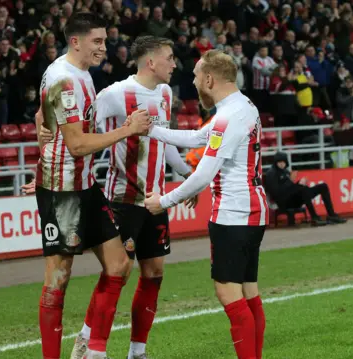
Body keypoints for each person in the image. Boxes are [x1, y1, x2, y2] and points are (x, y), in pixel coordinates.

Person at [31, 12, 151, 359]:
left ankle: (86, 346)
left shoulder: (78, 74)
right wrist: (128, 130)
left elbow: (42, 116)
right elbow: (77, 145)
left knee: (119, 265)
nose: (104, 47)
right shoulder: (66, 80)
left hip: (84, 183)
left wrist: (42, 134)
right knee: (59, 278)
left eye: (104, 40)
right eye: (97, 41)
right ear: (76, 41)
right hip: (62, 190)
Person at [141, 49, 268, 359]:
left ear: (209, 79)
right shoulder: (243, 107)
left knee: (228, 292)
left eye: (197, 76)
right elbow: (199, 138)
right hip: (252, 210)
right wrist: (152, 130)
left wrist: (164, 201)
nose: (195, 82)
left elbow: (203, 174)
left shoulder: (227, 116)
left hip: (233, 214)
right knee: (248, 291)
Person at [263, 151, 347, 226]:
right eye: (279, 162)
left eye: (283, 162)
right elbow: (276, 192)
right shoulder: (271, 173)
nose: (282, 164)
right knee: (303, 189)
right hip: (283, 202)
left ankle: (331, 215)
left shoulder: (285, 172)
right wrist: (293, 183)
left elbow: (290, 188)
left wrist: (298, 183)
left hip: (293, 198)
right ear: (276, 162)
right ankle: (314, 217)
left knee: (323, 186)